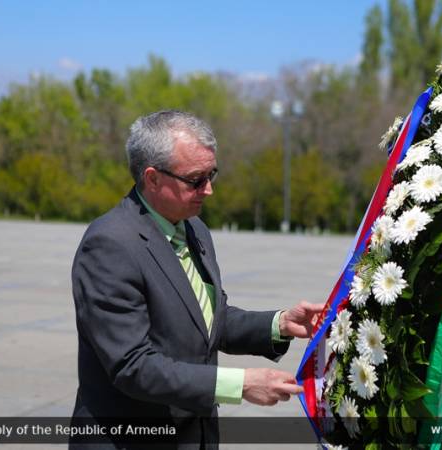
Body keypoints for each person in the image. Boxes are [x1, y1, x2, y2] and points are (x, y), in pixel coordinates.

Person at [70, 110, 323, 449]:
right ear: (153, 178)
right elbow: (132, 365)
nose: (209, 190)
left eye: (212, 174)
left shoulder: (193, 228)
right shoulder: (110, 245)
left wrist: (278, 324)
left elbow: (204, 319)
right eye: (196, 180)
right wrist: (241, 384)